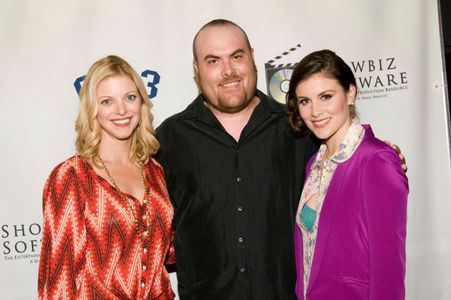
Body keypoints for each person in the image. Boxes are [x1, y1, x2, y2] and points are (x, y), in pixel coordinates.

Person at [156, 19, 318, 299]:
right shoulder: (169, 138)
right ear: (197, 70)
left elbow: (344, 175)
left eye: (236, 56)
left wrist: (377, 155)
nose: (228, 70)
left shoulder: (298, 127)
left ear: (252, 58)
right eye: (213, 61)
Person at [38, 55, 175, 299]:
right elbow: (60, 280)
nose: (121, 110)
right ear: (92, 109)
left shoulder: (155, 171)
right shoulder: (72, 177)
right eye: (107, 101)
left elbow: (167, 250)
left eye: (130, 97)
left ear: (142, 103)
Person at [286, 49, 409, 299]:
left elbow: (389, 269)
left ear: (350, 93)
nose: (315, 111)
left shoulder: (376, 161)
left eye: (326, 96)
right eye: (305, 101)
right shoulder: (315, 162)